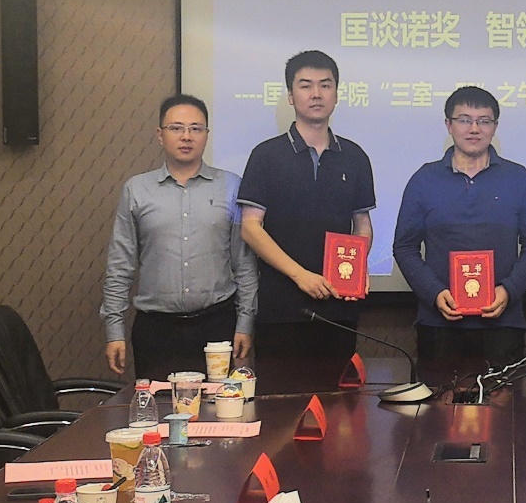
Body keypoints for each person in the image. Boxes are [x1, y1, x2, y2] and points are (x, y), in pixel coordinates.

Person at [101, 94, 257, 379]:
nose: (187, 136)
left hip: (217, 326)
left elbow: (244, 264)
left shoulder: (231, 186)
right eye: (176, 128)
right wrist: (114, 331)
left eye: (196, 128)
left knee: (218, 406)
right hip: (155, 329)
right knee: (158, 406)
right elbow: (119, 265)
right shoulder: (137, 189)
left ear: (206, 135)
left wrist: (245, 323)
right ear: (160, 135)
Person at [393, 86, 526, 363]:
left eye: (484, 121)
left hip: (503, 323)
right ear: (448, 125)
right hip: (438, 323)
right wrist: (434, 292)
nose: (474, 129)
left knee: (507, 392)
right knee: (438, 392)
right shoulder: (424, 180)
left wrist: (509, 290)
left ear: (495, 127)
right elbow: (404, 247)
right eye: (464, 120)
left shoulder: (518, 178)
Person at [239, 51, 375, 360]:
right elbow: (250, 227)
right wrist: (300, 275)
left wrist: (357, 266)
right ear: (290, 95)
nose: (316, 94)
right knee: (281, 391)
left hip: (340, 308)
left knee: (338, 390)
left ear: (336, 94)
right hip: (282, 309)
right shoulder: (265, 155)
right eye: (305, 85)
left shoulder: (355, 157)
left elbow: (362, 224)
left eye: (325, 85)